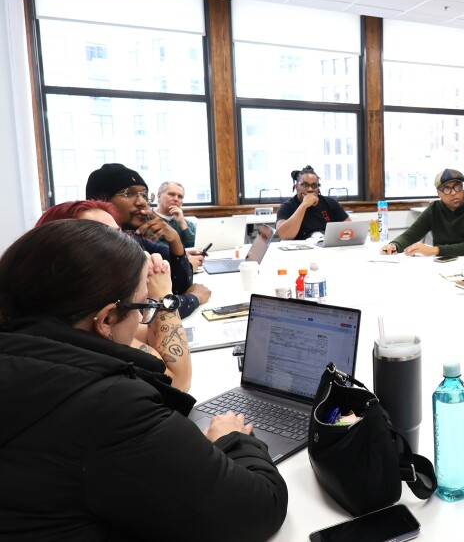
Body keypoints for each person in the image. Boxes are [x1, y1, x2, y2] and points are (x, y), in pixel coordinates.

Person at [0, 219, 287, 540]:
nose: (141, 319)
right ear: (107, 319)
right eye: (143, 306)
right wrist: (234, 440)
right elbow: (258, 509)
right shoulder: (111, 404)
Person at [36, 200, 192, 392]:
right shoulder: (88, 320)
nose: (121, 248)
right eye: (104, 238)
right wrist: (163, 296)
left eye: (119, 235)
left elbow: (150, 339)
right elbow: (178, 384)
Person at [85, 163, 210, 319]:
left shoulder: (132, 236)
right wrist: (194, 298)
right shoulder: (102, 247)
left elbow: (178, 285)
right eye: (128, 193)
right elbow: (143, 313)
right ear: (100, 200)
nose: (142, 202)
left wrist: (175, 240)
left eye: (144, 195)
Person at [381, 168, 464, 258]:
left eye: (457, 187)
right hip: (445, 264)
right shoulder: (434, 209)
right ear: (439, 194)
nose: (454, 193)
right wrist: (394, 245)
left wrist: (434, 250)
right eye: (447, 189)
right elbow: (411, 235)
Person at [276, 165, 350, 240]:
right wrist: (304, 205)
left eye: (314, 185)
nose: (310, 189)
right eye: (305, 185)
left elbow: (349, 227)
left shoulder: (330, 203)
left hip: (326, 246)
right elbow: (283, 235)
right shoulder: (287, 206)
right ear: (296, 187)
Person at [154, 181, 197, 249]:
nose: (176, 199)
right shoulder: (147, 219)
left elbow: (194, 246)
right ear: (159, 196)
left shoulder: (187, 223)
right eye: (171, 194)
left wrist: (182, 223)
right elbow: (157, 248)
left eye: (180, 197)